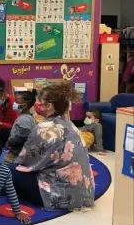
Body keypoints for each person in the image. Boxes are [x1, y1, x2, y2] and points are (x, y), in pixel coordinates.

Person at [11, 81, 95, 211]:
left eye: (40, 101)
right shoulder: (71, 125)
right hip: (84, 193)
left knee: (7, 171)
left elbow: (26, 162)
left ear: (49, 106)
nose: (37, 104)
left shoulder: (44, 128)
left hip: (59, 195)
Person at [4, 90, 37, 163]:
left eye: (17, 102)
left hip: (16, 153)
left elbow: (24, 137)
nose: (14, 104)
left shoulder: (24, 119)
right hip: (20, 152)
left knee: (7, 164)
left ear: (24, 105)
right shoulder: (28, 117)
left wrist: (10, 142)